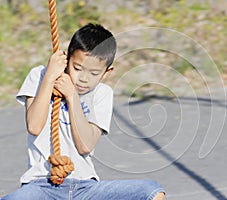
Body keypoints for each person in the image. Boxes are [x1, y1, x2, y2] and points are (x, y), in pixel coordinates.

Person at [2, 23, 165, 200]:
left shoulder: (102, 94)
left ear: (106, 72)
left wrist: (72, 96)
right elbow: (34, 126)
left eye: (94, 73)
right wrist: (50, 77)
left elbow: (85, 145)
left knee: (152, 191)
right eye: (77, 68)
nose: (83, 79)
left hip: (85, 187)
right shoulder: (40, 76)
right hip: (41, 185)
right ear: (67, 59)